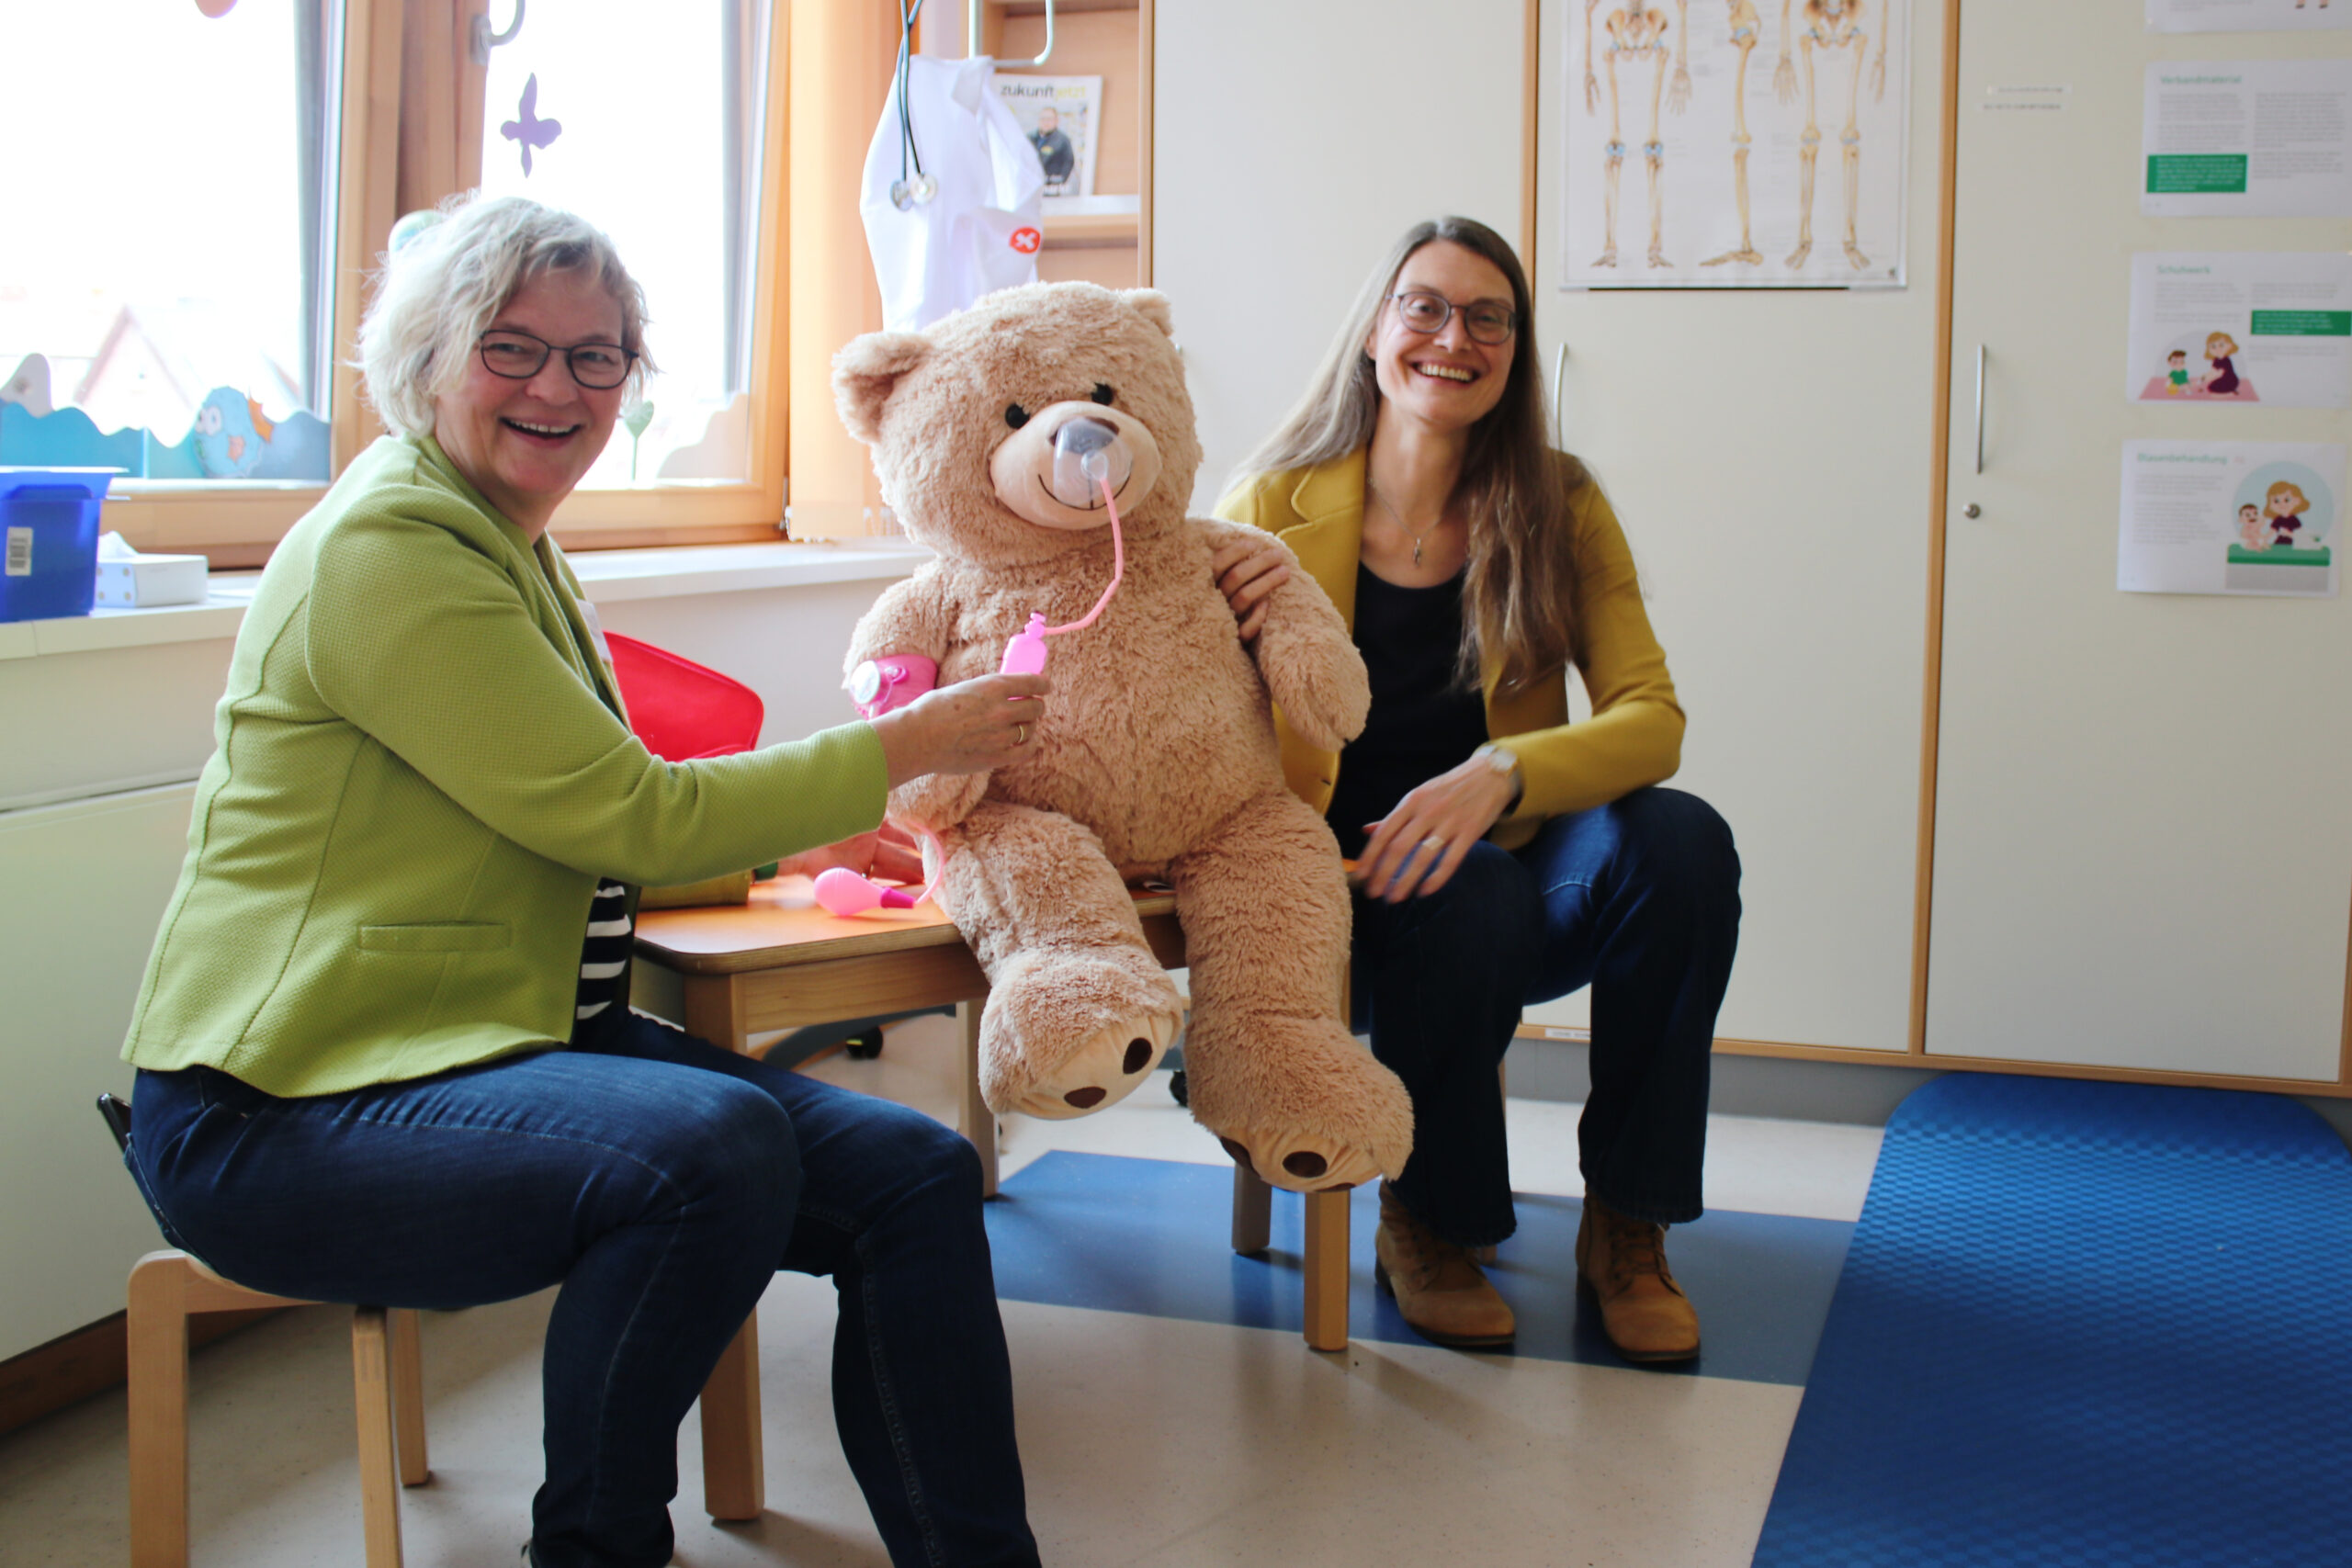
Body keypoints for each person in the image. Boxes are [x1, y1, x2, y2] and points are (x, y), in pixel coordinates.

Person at [116, 194, 1047, 1568]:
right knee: (704, 1152)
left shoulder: (513, 545)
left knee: (914, 1168)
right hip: (283, 1106)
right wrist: (897, 752)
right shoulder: (390, 550)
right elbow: (624, 806)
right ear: (426, 361)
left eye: (597, 355)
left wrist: (794, 847)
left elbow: (568, 818)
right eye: (514, 347)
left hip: (481, 1044)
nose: (559, 385)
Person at [1210, 216, 1739, 1364]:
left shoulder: (1560, 503)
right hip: (1330, 891)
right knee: (1470, 893)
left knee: (1680, 842)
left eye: (1488, 317)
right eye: (1426, 307)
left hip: (1507, 881)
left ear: (1515, 351)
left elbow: (1653, 719)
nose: (1455, 337)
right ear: (1373, 331)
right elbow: (1195, 720)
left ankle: (1628, 1224)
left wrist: (1497, 772)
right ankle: (1432, 1220)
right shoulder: (1268, 505)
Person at [1028, 104, 1076, 193]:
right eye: (1043, 119)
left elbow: (1068, 163)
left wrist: (1058, 183)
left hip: (1051, 189)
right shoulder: (1030, 138)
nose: (1046, 122)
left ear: (1056, 121)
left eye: (1049, 119)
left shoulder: (1063, 141)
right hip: (1031, 187)